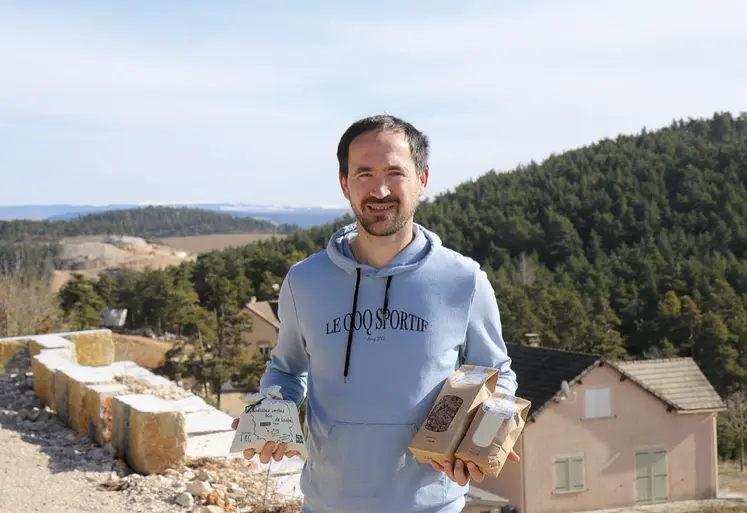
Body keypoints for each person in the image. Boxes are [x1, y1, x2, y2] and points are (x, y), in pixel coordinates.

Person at [231, 114, 519, 513]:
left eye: (394, 172)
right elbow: (285, 370)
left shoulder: (464, 281)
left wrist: (484, 435)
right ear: (344, 184)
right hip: (326, 505)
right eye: (364, 173)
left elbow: (497, 374)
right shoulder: (305, 281)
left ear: (422, 179)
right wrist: (271, 410)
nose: (379, 189)